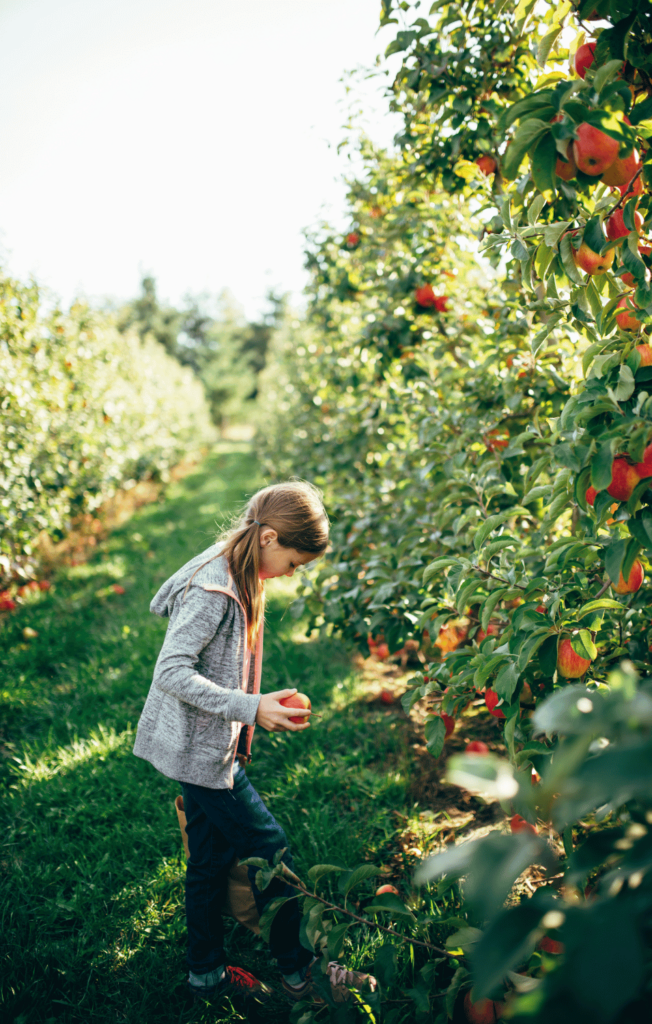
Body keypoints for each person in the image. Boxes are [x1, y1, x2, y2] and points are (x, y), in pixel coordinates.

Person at [133, 481, 377, 1007]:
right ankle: (302, 974)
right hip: (201, 755)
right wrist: (251, 706)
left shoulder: (238, 568)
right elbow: (171, 671)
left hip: (202, 746)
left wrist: (258, 699)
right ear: (268, 538)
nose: (291, 575)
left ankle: (206, 976)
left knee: (208, 862)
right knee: (271, 851)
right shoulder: (212, 589)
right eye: (293, 564)